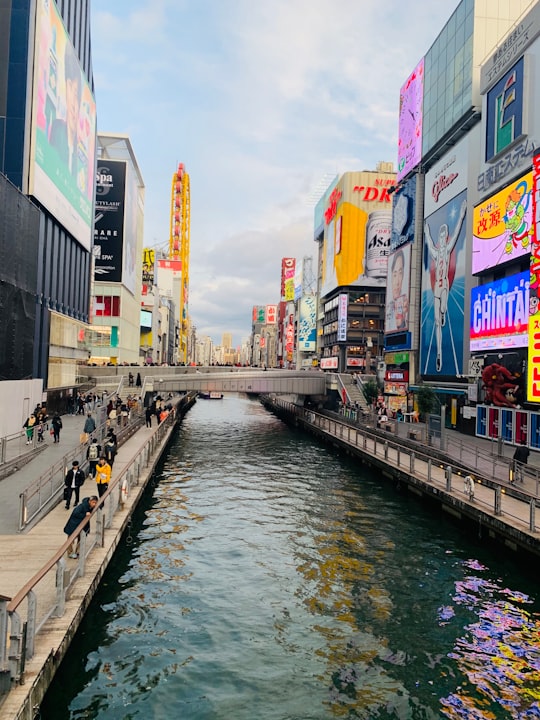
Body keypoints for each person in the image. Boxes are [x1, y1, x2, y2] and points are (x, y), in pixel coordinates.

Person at [424, 199, 467, 372]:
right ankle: (440, 354)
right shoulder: (435, 253)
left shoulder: (448, 248)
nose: (442, 239)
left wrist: (462, 214)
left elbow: (457, 232)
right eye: (440, 236)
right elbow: (428, 239)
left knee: (442, 311)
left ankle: (442, 313)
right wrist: (427, 231)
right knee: (436, 321)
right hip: (436, 288)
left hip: (445, 286)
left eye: (443, 236)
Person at [49, 45, 81, 179]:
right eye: (71, 91)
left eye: (77, 96)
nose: (74, 104)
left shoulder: (78, 156)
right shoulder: (57, 130)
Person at [387, 249, 409, 332]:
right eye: (395, 274)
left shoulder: (406, 304)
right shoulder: (388, 307)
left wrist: (403, 320)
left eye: (400, 273)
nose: (397, 282)